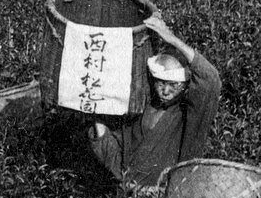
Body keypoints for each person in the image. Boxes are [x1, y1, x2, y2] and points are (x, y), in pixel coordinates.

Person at [87, 15, 221, 188]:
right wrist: (97, 119)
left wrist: (171, 38)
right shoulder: (142, 108)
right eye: (161, 83)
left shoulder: (187, 117)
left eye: (174, 85)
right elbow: (116, 154)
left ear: (185, 86)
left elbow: (210, 80)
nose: (165, 91)